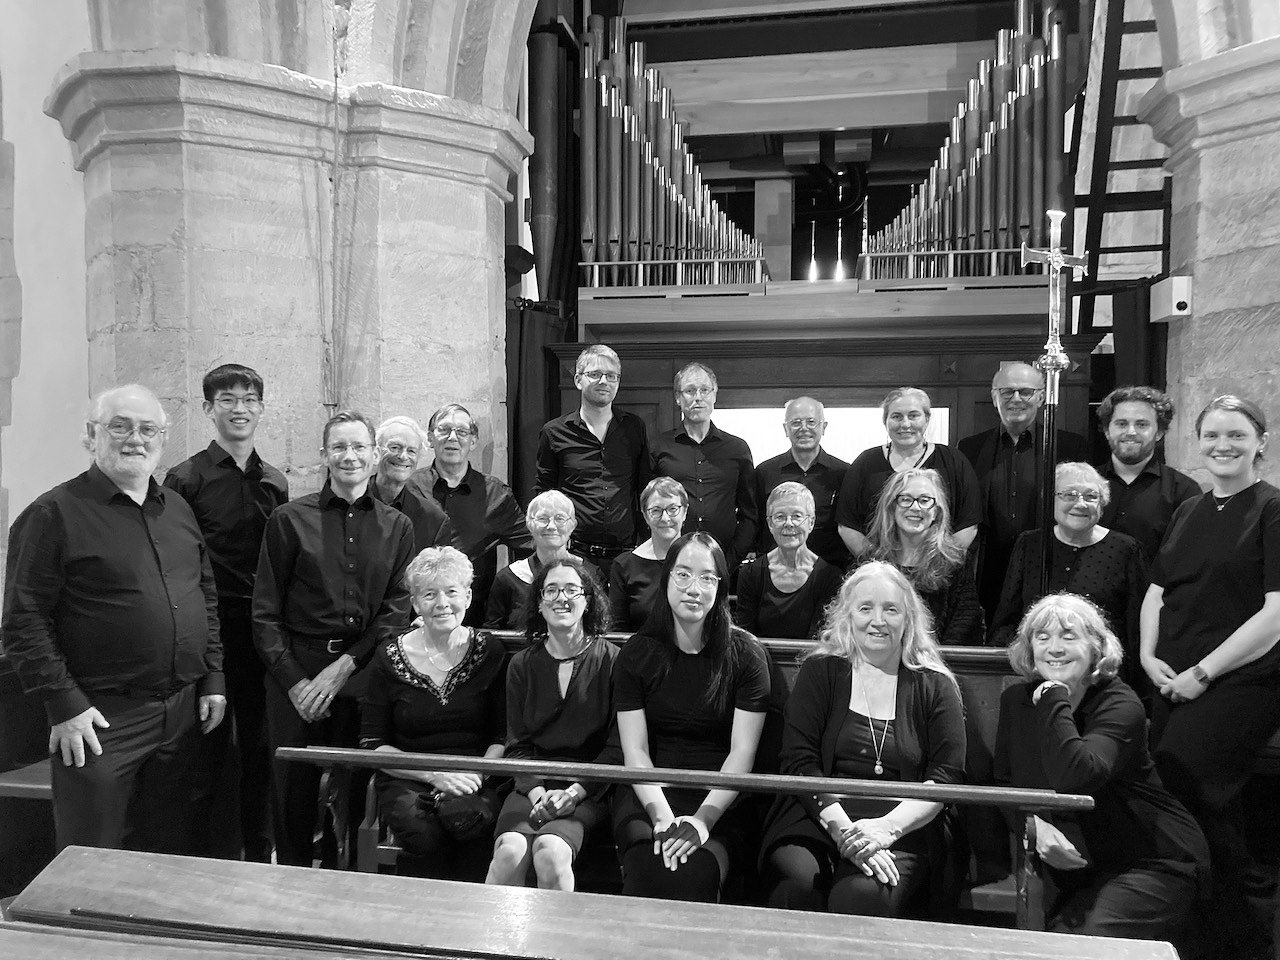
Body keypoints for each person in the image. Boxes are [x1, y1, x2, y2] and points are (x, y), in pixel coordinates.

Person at [3, 384, 225, 853]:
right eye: (120, 426)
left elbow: (203, 596)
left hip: (183, 713)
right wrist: (65, 706)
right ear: (91, 434)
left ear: (162, 439)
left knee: (169, 851)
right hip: (101, 719)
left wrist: (213, 678)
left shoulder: (177, 509)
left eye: (148, 429)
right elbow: (23, 620)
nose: (135, 439)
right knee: (90, 857)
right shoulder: (52, 514)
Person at [1141, 395, 1280, 959]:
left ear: (1260, 443)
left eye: (1237, 435)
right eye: (1212, 436)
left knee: (1193, 785)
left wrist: (1203, 671)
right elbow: (1157, 592)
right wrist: (1149, 657)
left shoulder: (1272, 508)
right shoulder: (1190, 509)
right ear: (1197, 443)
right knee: (1173, 796)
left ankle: (1245, 931)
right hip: (1170, 676)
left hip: (1242, 680)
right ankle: (1194, 925)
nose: (1223, 445)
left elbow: (1275, 614)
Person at [994, 593, 1208, 942]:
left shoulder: (1120, 703)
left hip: (1152, 862)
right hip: (1082, 869)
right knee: (1051, 945)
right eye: (1042, 637)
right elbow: (1002, 781)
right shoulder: (1016, 702)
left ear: (1096, 648)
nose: (1054, 648)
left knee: (1085, 944)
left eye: (1068, 636)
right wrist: (1032, 824)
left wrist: (1053, 695)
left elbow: (1078, 776)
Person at [253, 410, 415, 867]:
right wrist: (296, 682)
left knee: (355, 794)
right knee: (291, 794)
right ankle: (292, 886)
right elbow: (265, 613)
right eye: (339, 447)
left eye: (359, 447)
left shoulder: (397, 526)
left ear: (374, 454)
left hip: (363, 675)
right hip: (295, 675)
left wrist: (342, 670)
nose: (350, 456)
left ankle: (347, 886)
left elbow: (395, 611)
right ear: (325, 455)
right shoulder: (288, 520)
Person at [760, 561, 965, 918]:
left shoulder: (935, 685)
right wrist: (844, 832)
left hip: (902, 826)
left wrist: (885, 829)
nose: (878, 621)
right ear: (847, 616)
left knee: (859, 894)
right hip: (820, 815)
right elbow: (799, 761)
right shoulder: (821, 671)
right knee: (795, 885)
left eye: (891, 610)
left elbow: (946, 779)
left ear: (909, 620)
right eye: (865, 608)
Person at [162, 363, 287, 862]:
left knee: (259, 747)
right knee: (203, 747)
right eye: (228, 399)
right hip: (206, 632)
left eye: (249, 399)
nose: (240, 408)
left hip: (259, 633)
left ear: (261, 407)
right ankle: (199, 854)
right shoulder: (184, 478)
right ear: (209, 408)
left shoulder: (274, 482)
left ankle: (257, 854)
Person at [612, 532, 771, 902]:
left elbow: (741, 755)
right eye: (683, 575)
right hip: (649, 791)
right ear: (666, 579)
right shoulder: (637, 653)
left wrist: (702, 821)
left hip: (722, 799)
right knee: (647, 872)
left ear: (720, 586)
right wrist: (663, 817)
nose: (693, 588)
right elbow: (635, 752)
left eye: (707, 577)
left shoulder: (746, 655)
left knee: (693, 874)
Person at [359, 546, 508, 880]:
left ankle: (473, 920)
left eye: (451, 592)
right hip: (408, 775)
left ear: (468, 597)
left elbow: (503, 736)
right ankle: (423, 923)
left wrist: (474, 777)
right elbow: (372, 744)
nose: (442, 604)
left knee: (471, 821)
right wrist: (434, 776)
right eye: (429, 594)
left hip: (476, 775)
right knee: (423, 832)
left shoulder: (491, 651)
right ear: (415, 603)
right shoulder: (388, 657)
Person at [487, 558, 618, 891]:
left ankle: (555, 944)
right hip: (532, 785)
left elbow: (617, 748)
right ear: (539, 605)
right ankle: (494, 943)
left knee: (550, 851)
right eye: (552, 590)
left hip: (591, 787)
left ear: (588, 601)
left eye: (572, 589)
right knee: (509, 852)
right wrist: (539, 794)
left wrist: (573, 793)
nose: (562, 598)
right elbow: (516, 745)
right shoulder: (521, 665)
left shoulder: (613, 661)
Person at [957, 362, 1090, 618]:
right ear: (993, 396)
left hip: (1047, 562)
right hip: (988, 567)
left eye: (1025, 392)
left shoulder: (1069, 446)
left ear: (1041, 397)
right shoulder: (969, 448)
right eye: (1007, 391)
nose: (1016, 399)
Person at [990, 464, 1146, 674]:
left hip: (1104, 674)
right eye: (1069, 495)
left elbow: (1136, 629)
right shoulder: (1030, 544)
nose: (1080, 504)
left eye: (1091, 496)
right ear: (1050, 499)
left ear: (1102, 503)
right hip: (1036, 672)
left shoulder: (1126, 549)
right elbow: (1006, 621)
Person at [408, 403, 533, 625]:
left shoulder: (495, 494)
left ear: (473, 441)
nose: (452, 438)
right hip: (414, 618)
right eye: (444, 430)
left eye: (462, 432)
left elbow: (532, 548)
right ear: (430, 438)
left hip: (473, 619)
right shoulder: (409, 489)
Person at [535, 344, 650, 572]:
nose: (604, 381)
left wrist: (644, 542)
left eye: (611, 376)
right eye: (595, 374)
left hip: (626, 554)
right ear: (578, 380)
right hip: (574, 555)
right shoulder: (554, 432)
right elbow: (545, 494)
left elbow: (644, 486)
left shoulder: (634, 428)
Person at [838, 388, 981, 561]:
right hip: (880, 573)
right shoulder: (865, 463)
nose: (905, 424)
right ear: (885, 421)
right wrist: (879, 565)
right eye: (896, 416)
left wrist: (938, 564)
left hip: (939, 574)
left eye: (913, 415)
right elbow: (847, 524)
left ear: (927, 419)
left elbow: (968, 523)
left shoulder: (954, 461)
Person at [650, 363, 758, 570]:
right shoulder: (658, 447)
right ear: (678, 398)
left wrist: (730, 561)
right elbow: (646, 508)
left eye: (704, 390)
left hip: (723, 560)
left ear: (714, 395)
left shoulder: (737, 449)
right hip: (669, 562)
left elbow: (749, 514)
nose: (697, 397)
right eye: (690, 391)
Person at [865, 469, 985, 646]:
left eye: (924, 500)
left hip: (938, 665)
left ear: (937, 512)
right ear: (891, 507)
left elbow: (965, 627)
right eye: (905, 499)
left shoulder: (955, 564)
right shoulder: (871, 562)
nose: (915, 507)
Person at [1095, 386, 1201, 566]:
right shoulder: (1085, 485)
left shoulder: (1184, 491)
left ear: (1159, 432)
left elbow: (1188, 557)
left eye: (1142, 424)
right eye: (1121, 423)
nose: (1131, 432)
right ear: (1107, 430)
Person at [735, 482, 842, 640]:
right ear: (770, 524)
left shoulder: (830, 577)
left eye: (797, 516)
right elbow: (745, 639)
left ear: (811, 522)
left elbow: (819, 641)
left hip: (810, 662)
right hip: (758, 662)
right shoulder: (750, 574)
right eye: (780, 517)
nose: (789, 523)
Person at [755, 397, 850, 569]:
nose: (804, 428)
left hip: (830, 570)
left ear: (824, 427)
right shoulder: (764, 472)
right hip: (774, 570)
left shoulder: (844, 474)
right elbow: (756, 523)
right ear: (786, 428)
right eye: (796, 422)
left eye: (811, 422)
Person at [484, 491, 594, 630]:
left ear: (572, 525)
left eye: (560, 518)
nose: (551, 526)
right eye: (543, 518)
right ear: (529, 525)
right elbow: (493, 632)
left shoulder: (590, 574)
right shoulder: (507, 578)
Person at [609, 477, 688, 631]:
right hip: (639, 653)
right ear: (645, 515)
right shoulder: (623, 566)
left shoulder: (701, 561)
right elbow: (616, 631)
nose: (665, 518)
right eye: (656, 510)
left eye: (673, 509)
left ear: (684, 512)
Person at [371, 416, 455, 551]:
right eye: (394, 447)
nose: (403, 456)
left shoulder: (434, 521)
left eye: (411, 451)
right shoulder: (349, 502)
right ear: (376, 451)